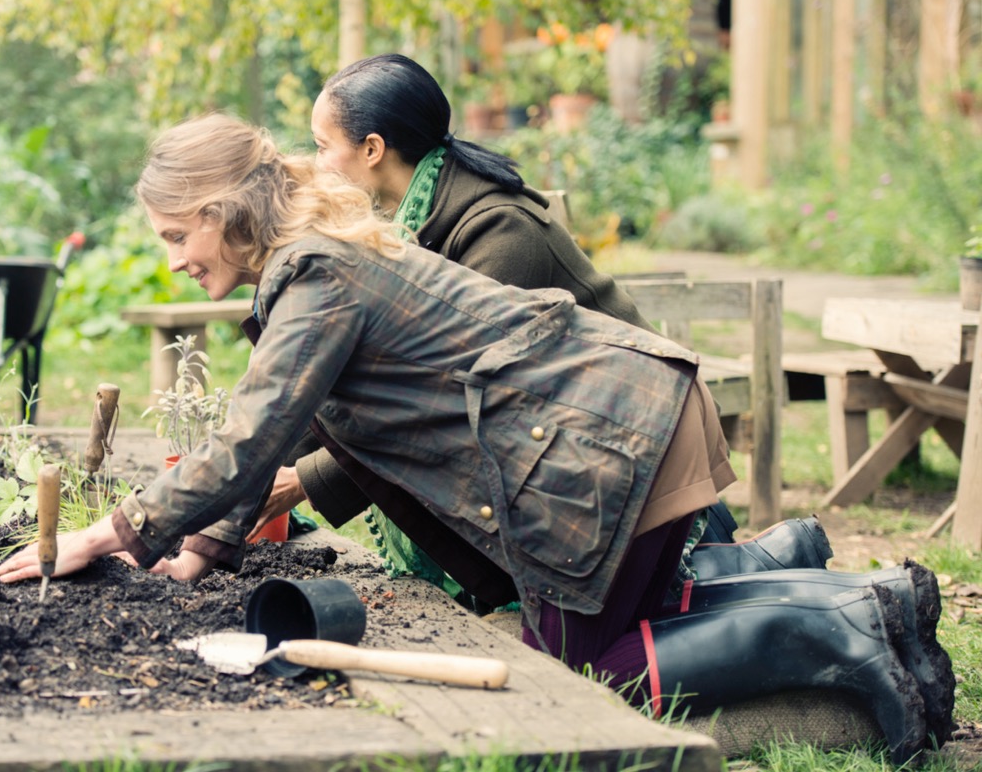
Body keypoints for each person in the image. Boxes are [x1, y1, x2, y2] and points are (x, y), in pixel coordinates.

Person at [0, 114, 948, 765]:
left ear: (218, 212)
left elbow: (250, 438)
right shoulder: (329, 255)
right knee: (655, 604)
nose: (173, 259)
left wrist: (110, 532)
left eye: (174, 234)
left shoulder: (315, 275)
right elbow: (286, 421)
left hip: (601, 447)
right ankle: (872, 601)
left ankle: (833, 631)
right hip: (628, 415)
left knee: (574, 671)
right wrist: (200, 547)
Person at [249, 53, 830, 597]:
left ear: (372, 148)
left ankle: (758, 568)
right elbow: (360, 384)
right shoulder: (409, 229)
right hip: (575, 454)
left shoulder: (499, 233)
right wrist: (261, 464)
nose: (317, 162)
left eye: (324, 146)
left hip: (635, 466)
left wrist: (301, 481)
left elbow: (439, 408)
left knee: (673, 609)